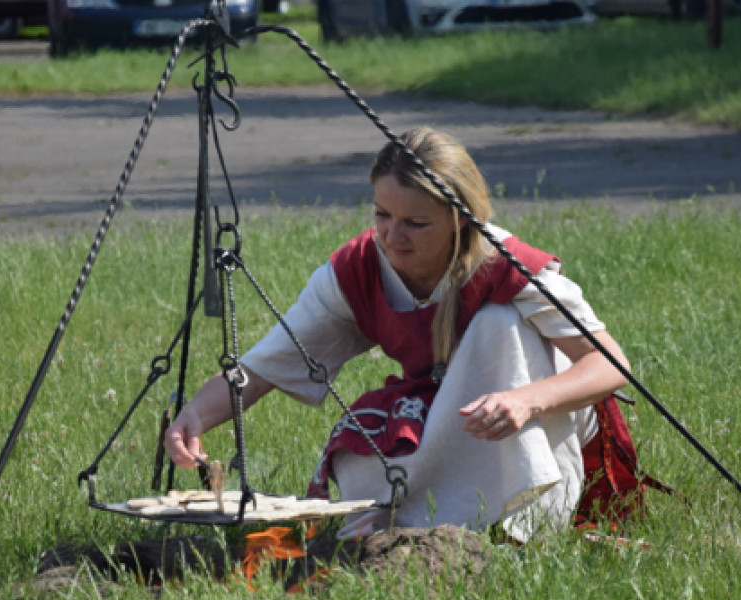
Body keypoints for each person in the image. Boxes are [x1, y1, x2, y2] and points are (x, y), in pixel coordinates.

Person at [164, 127, 632, 542]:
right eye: (383, 214)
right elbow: (267, 366)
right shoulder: (356, 271)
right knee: (363, 455)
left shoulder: (504, 264)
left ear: (461, 220)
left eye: (416, 223)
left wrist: (527, 400)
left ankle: (520, 527)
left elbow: (610, 364)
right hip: (449, 410)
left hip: (539, 407)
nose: (392, 236)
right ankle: (423, 532)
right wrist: (196, 416)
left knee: (497, 324)